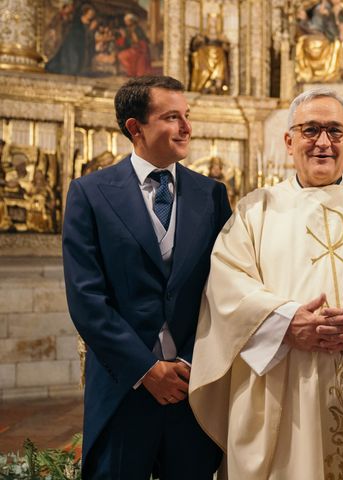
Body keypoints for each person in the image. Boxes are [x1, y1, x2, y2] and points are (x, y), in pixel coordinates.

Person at [189, 88, 343, 479]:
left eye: (335, 131)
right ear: (289, 140)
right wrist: (284, 322)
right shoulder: (255, 209)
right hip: (285, 382)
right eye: (310, 129)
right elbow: (227, 285)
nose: (323, 142)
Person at [62, 75, 230, 479]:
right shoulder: (90, 193)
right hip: (125, 389)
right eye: (172, 117)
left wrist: (188, 362)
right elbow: (87, 298)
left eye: (187, 116)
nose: (187, 128)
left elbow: (225, 287)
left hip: (193, 390)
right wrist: (147, 370)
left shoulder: (212, 195)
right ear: (135, 127)